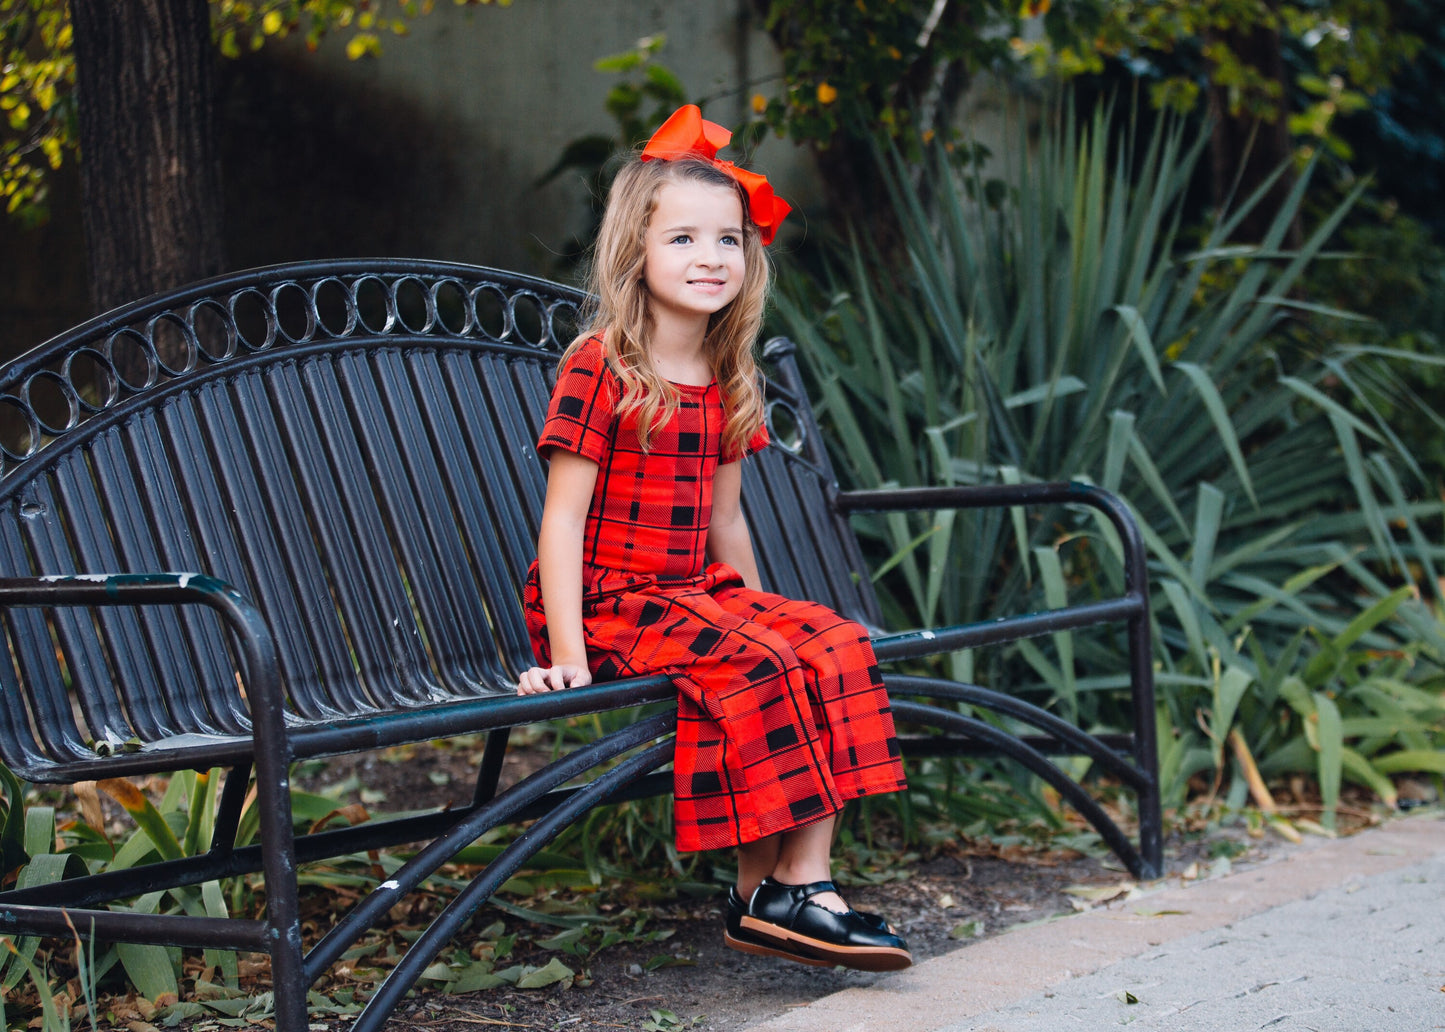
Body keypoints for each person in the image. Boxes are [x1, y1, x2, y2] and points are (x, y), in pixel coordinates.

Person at [517, 104, 911, 972]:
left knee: (833, 645)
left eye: (727, 240)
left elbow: (726, 519)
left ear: (749, 256)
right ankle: (776, 895)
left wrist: (762, 611)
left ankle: (797, 883)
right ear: (637, 253)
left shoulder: (727, 369)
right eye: (684, 239)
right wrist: (570, 652)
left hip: (693, 597)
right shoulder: (602, 364)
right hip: (606, 604)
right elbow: (562, 519)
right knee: (762, 664)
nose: (709, 257)